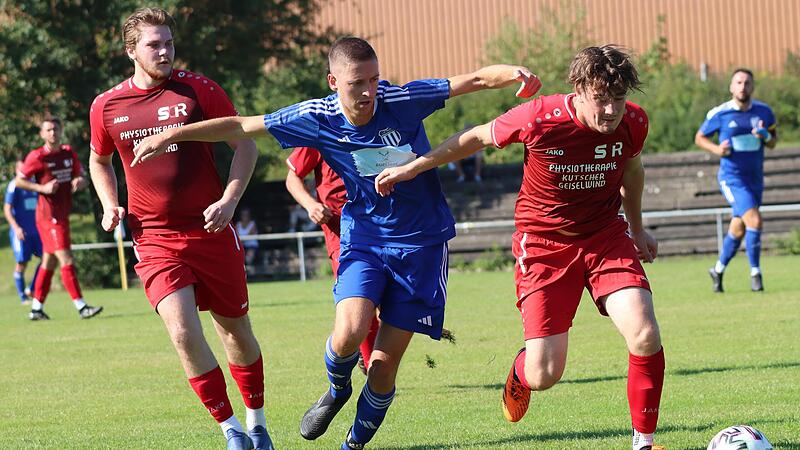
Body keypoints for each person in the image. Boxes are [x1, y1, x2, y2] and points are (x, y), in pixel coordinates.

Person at [130, 36, 539, 450]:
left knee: (382, 368)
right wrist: (172, 135)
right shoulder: (316, 117)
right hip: (365, 237)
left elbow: (471, 81)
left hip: (423, 244)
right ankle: (337, 387)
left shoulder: (402, 99)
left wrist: (515, 75)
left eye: (375, 80)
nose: (368, 92)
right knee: (348, 332)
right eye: (356, 83)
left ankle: (352, 445)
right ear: (332, 82)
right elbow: (241, 126)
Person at [376, 45, 665, 450]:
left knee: (644, 332)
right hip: (544, 245)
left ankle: (644, 442)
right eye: (601, 100)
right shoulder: (539, 118)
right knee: (544, 373)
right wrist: (413, 166)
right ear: (579, 90)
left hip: (605, 236)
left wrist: (636, 229)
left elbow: (632, 171)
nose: (611, 111)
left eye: (618, 99)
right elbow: (476, 136)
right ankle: (521, 369)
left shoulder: (633, 122)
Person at [87, 8, 273, 450]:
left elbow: (244, 146)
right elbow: (99, 159)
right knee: (184, 332)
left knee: (235, 331)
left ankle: (257, 421)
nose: (165, 51)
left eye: (168, 42)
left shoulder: (199, 90)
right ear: (131, 50)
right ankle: (231, 431)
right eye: (154, 44)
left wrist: (229, 201)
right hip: (153, 238)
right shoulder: (106, 105)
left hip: (211, 230)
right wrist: (110, 204)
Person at [285, 146, 379, 374]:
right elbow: (292, 178)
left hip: (382, 223)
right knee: (360, 302)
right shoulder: (321, 125)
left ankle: (368, 359)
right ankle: (372, 369)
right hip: (342, 232)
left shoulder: (378, 125)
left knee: (392, 304)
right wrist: (311, 205)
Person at [695, 68, 777, 293]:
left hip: (755, 179)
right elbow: (699, 137)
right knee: (755, 220)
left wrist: (766, 136)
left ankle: (718, 270)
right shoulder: (720, 114)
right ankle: (756, 273)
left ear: (753, 86)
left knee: (739, 227)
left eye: (747, 83)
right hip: (732, 178)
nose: (743, 87)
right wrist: (717, 149)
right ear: (731, 87)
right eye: (738, 82)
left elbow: (773, 142)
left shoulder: (764, 112)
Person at [16, 118, 103, 321]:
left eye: (55, 129)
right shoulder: (37, 156)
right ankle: (82, 307)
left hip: (62, 215)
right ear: (42, 134)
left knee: (49, 262)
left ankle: (36, 309)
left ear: (61, 130)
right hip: (48, 218)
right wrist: (42, 188)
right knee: (66, 258)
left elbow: (82, 176)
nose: (53, 133)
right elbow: (19, 181)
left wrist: (80, 181)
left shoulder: (68, 153)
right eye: (48, 130)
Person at [4, 160, 42, 304]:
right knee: (22, 263)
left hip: (37, 231)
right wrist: (16, 227)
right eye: (21, 168)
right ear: (16, 170)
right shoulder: (14, 185)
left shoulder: (34, 185)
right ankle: (22, 297)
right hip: (21, 232)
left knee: (46, 258)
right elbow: (7, 209)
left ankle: (31, 289)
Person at [235, 208, 259, 276]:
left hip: (251, 246)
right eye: (243, 215)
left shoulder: (252, 224)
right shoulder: (238, 224)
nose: (245, 216)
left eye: (246, 215)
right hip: (240, 246)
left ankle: (250, 275)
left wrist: (241, 241)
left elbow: (248, 236)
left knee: (248, 259)